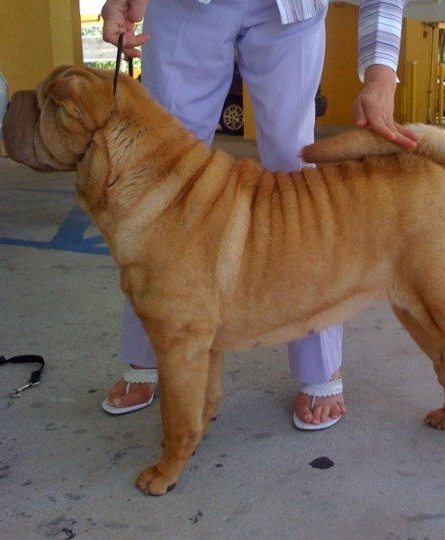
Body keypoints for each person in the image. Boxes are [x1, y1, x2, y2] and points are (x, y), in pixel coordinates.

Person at [99, 0, 417, 429]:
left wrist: (381, 76)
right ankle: (147, 353)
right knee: (164, 170)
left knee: (296, 173)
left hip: (290, 8)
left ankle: (320, 362)